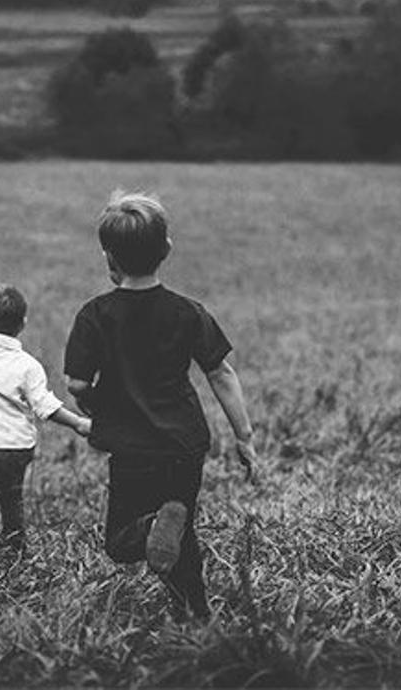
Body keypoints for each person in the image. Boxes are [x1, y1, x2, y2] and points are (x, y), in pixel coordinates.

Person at [64, 191, 259, 621]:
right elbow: (221, 374)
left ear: (108, 257)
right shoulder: (188, 312)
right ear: (166, 250)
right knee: (179, 534)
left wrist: (93, 402)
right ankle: (195, 614)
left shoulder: (95, 314)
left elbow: (77, 381)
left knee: (121, 540)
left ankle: (154, 526)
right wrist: (244, 436)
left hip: (132, 448)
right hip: (184, 444)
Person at [0, 284, 91, 553]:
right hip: (17, 449)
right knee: (12, 500)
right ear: (23, 323)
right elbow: (45, 406)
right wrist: (79, 422)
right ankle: (17, 553)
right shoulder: (28, 365)